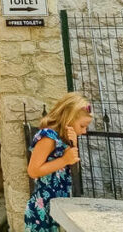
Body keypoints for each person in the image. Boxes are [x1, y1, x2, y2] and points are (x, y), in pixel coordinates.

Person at [25, 93, 93, 231]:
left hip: (59, 204)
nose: (84, 131)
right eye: (82, 126)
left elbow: (74, 167)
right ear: (68, 119)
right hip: (43, 208)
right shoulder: (48, 137)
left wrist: (73, 145)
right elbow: (33, 171)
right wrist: (64, 160)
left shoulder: (64, 140)